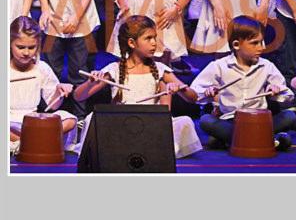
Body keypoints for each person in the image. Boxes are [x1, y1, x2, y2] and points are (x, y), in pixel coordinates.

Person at [74, 15, 202, 158]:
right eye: (148, 38)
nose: (154, 43)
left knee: (185, 122)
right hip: (123, 124)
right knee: (92, 118)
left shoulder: (160, 69)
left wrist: (181, 89)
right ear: (132, 43)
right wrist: (90, 82)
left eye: (155, 38)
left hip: (150, 125)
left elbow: (193, 98)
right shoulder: (115, 69)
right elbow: (79, 96)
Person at [189, 16, 296, 150]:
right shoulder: (219, 66)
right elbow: (195, 94)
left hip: (260, 121)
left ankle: (234, 140)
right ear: (236, 45)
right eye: (255, 43)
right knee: (206, 120)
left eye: (262, 42)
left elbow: (289, 97)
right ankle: (265, 140)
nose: (261, 48)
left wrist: (276, 91)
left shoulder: (267, 66)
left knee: (290, 116)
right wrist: (208, 93)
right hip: (231, 121)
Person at [8, 16, 75, 157]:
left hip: (33, 122)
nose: (26, 52)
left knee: (69, 119)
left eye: (31, 47)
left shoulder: (41, 68)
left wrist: (59, 92)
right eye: (20, 47)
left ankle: (29, 142)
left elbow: (53, 106)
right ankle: (30, 142)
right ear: (9, 44)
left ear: (38, 45)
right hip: (9, 123)